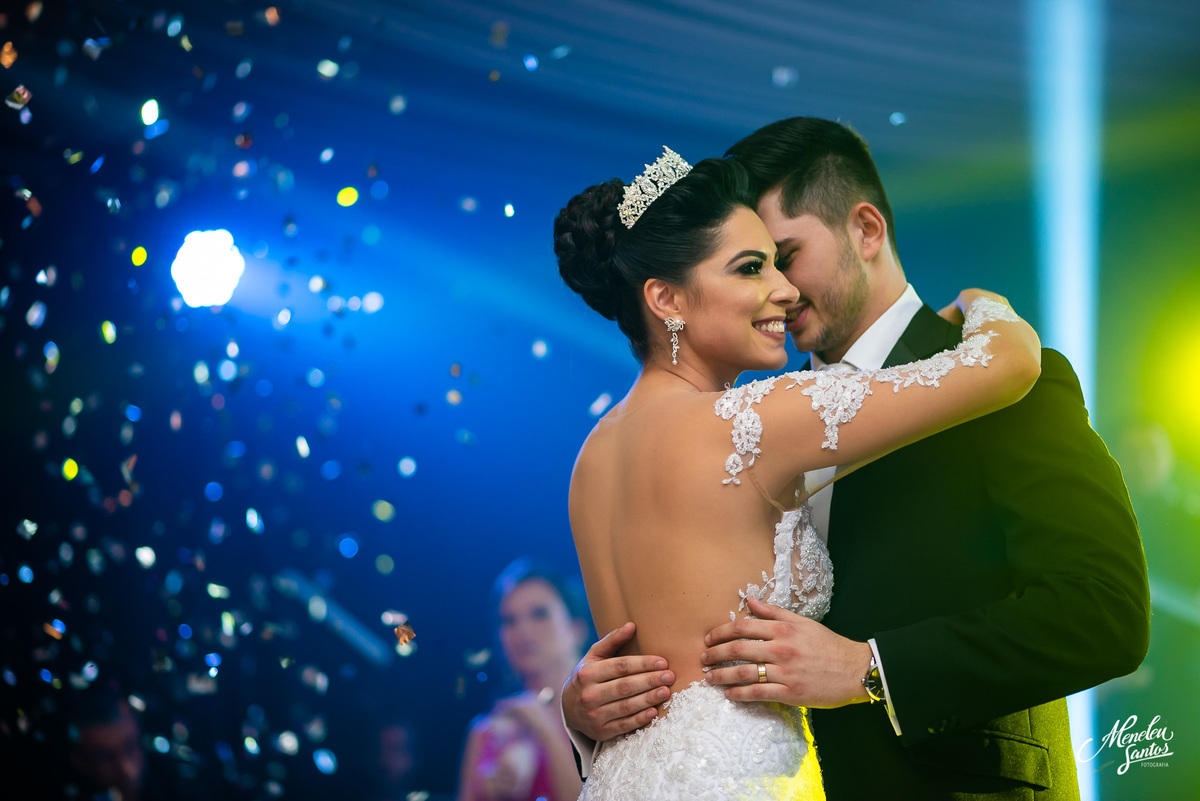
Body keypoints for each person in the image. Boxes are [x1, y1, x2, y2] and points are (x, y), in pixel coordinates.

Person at [560, 120, 1151, 800]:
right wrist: (586, 709)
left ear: (866, 230)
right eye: (754, 266)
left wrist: (875, 669)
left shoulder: (635, 442)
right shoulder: (751, 420)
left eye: (782, 255)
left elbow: (1107, 611)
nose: (779, 287)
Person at [457, 558, 589, 801]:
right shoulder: (486, 733)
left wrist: (545, 729)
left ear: (576, 628)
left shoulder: (602, 712)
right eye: (509, 621)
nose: (523, 631)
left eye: (540, 614)